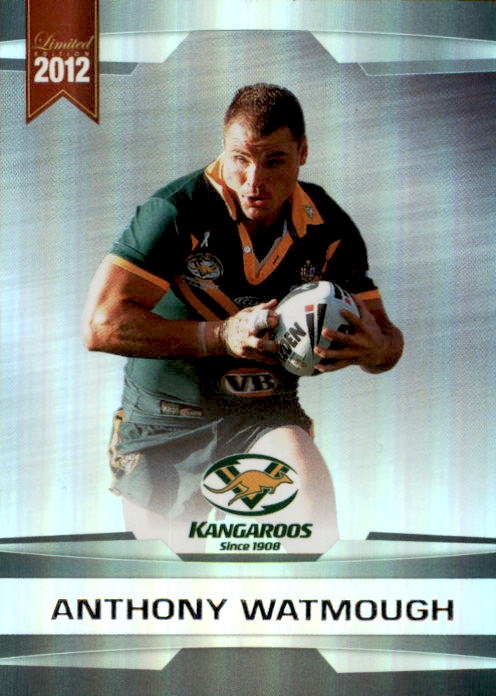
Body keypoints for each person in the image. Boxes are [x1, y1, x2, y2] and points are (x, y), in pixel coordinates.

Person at [82, 83, 403, 554]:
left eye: (274, 161)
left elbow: (387, 342)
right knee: (170, 577)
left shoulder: (327, 224)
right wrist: (220, 335)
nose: (254, 180)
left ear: (303, 153)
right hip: (167, 419)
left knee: (310, 537)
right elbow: (100, 325)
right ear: (224, 149)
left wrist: (376, 350)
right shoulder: (177, 211)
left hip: (263, 413)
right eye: (241, 159)